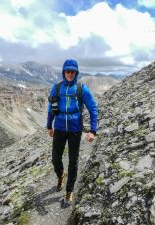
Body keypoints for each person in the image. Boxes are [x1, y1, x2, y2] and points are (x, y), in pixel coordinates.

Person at [47, 59, 98, 206]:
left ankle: (69, 191)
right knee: (55, 159)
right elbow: (51, 109)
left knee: (73, 161)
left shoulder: (81, 88)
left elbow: (93, 109)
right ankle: (60, 174)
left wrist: (92, 130)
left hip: (75, 130)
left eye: (72, 72)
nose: (70, 74)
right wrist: (49, 126)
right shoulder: (56, 88)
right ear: (64, 72)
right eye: (67, 71)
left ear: (76, 73)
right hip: (60, 129)